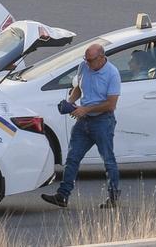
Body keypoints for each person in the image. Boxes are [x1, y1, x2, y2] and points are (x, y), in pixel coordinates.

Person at [41, 43, 121, 209]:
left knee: (108, 160)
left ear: (101, 58)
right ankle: (63, 195)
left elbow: (111, 104)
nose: (87, 63)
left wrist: (86, 109)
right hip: (84, 121)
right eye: (86, 59)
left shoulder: (112, 74)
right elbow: (78, 87)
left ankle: (113, 196)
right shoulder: (84, 66)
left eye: (90, 60)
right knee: (72, 158)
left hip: (102, 121)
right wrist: (70, 102)